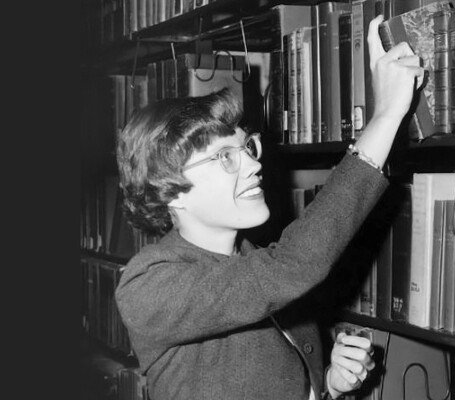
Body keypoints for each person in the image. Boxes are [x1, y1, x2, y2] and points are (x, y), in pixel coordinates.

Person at [115, 15, 424, 400]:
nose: (252, 163)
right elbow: (294, 265)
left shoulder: (254, 263)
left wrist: (326, 384)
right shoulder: (148, 285)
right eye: (225, 157)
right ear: (171, 192)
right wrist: (385, 117)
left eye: (246, 147)